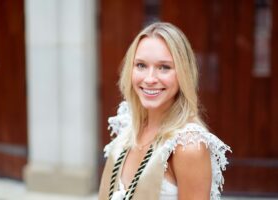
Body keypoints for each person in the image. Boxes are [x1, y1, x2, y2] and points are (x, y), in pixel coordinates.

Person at [99, 22, 231, 200]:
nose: (150, 78)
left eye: (164, 67)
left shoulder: (188, 146)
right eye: (141, 65)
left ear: (183, 73)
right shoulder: (127, 127)